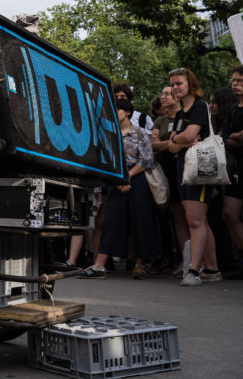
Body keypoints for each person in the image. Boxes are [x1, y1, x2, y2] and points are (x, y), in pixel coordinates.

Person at [80, 98, 160, 278]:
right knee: (110, 221)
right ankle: (99, 264)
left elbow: (147, 160)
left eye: (118, 109)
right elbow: (104, 161)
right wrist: (119, 180)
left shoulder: (139, 133)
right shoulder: (108, 134)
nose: (114, 113)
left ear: (128, 112)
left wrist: (128, 177)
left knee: (141, 220)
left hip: (137, 180)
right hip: (115, 181)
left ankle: (140, 264)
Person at [166, 67, 222, 286]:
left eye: (179, 83)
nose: (174, 87)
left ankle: (193, 271)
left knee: (195, 220)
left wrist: (179, 139)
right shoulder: (180, 112)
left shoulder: (199, 107)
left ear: (191, 84)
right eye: (172, 84)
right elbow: (171, 146)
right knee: (199, 220)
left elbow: (185, 137)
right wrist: (181, 140)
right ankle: (212, 269)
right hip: (183, 165)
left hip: (200, 166)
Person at [150, 85, 187, 277]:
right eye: (162, 93)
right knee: (178, 217)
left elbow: (188, 141)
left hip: (187, 169)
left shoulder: (187, 116)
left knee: (193, 217)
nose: (162, 97)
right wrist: (173, 143)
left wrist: (173, 143)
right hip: (167, 172)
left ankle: (201, 260)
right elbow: (153, 146)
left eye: (166, 94)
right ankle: (185, 260)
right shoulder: (159, 120)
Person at [220, 67, 243, 279]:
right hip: (237, 168)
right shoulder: (234, 110)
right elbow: (224, 138)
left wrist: (236, 137)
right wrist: (237, 136)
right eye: (233, 80)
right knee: (229, 213)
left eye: (239, 80)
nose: (234, 84)